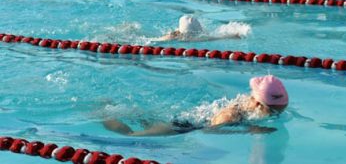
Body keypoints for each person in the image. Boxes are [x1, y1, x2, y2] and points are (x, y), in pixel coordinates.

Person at [103, 75, 289, 136]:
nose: (275, 115)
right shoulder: (232, 115)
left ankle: (116, 109)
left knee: (142, 119)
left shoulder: (247, 107)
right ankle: (104, 115)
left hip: (183, 121)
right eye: (272, 111)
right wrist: (250, 129)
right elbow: (210, 131)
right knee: (132, 136)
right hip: (179, 129)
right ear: (257, 104)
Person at [153, 15, 242, 42]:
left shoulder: (175, 34)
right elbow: (216, 37)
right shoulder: (199, 37)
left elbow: (155, 40)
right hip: (187, 26)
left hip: (184, 24)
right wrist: (234, 35)